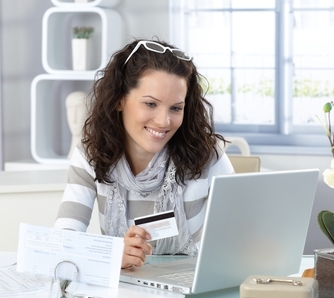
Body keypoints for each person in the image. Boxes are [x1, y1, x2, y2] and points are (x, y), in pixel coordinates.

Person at [55, 38, 234, 269]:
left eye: (176, 108)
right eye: (150, 104)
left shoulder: (207, 156)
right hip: (123, 289)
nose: (163, 121)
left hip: (191, 289)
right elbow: (62, 242)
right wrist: (109, 255)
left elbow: (239, 239)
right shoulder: (91, 155)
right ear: (120, 99)